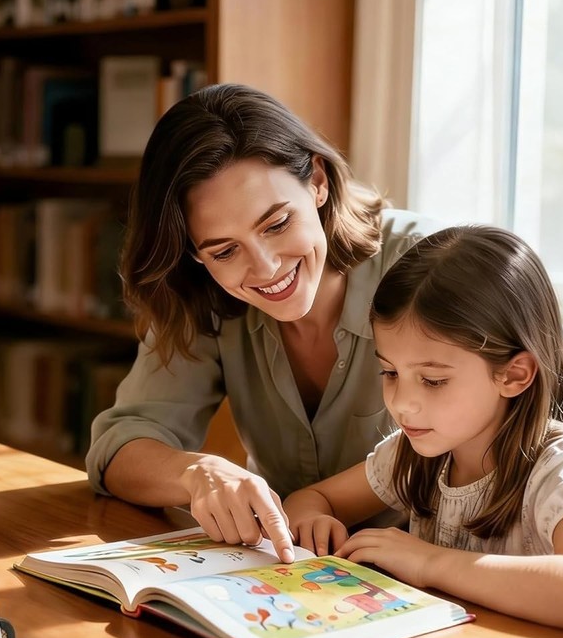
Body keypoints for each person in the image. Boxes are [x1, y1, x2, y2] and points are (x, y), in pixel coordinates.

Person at [85, 83, 448, 563]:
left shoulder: (432, 265)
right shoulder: (205, 294)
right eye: (224, 250)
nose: (265, 268)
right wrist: (197, 473)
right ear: (195, 254)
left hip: (437, 578)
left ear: (317, 181)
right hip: (293, 576)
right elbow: (118, 448)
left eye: (276, 225)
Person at [283, 225, 563, 638]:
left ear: (513, 375)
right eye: (389, 372)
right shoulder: (415, 454)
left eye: (433, 381)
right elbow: (313, 497)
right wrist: (312, 517)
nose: (402, 403)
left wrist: (430, 563)